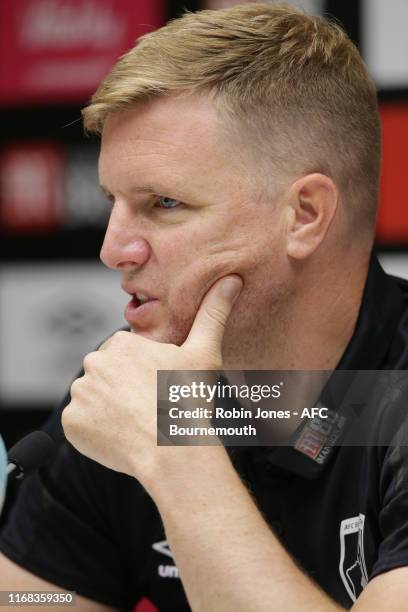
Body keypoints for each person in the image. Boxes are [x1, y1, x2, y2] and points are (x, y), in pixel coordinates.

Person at [1, 3, 408, 610]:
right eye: (112, 199)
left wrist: (177, 456)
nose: (114, 250)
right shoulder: (140, 390)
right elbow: (38, 601)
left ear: (304, 216)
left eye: (163, 203)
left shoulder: (158, 415)